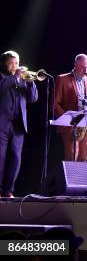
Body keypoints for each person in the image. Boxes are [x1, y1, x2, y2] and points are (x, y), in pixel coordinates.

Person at [0, 50, 38, 198]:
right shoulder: (3, 78)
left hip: (18, 125)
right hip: (2, 124)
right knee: (1, 157)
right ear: (4, 63)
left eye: (17, 63)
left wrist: (31, 83)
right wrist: (15, 77)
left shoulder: (21, 79)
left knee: (15, 158)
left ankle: (9, 190)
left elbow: (33, 99)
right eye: (11, 63)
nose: (15, 66)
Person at [53, 54, 87, 161]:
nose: (86, 70)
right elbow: (55, 104)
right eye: (83, 67)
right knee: (72, 157)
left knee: (83, 158)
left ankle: (80, 178)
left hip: (86, 125)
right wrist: (69, 119)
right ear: (75, 65)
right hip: (71, 124)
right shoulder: (62, 79)